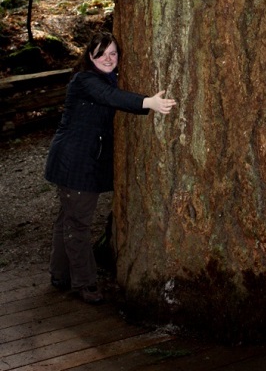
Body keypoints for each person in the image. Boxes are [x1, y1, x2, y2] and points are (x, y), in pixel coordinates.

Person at [45, 31, 176, 304]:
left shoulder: (106, 77)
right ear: (89, 56)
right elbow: (110, 96)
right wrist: (149, 103)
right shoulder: (85, 80)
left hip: (77, 159)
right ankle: (85, 283)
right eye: (101, 53)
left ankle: (60, 274)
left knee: (67, 219)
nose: (108, 58)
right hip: (75, 162)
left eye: (113, 53)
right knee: (78, 223)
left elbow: (112, 92)